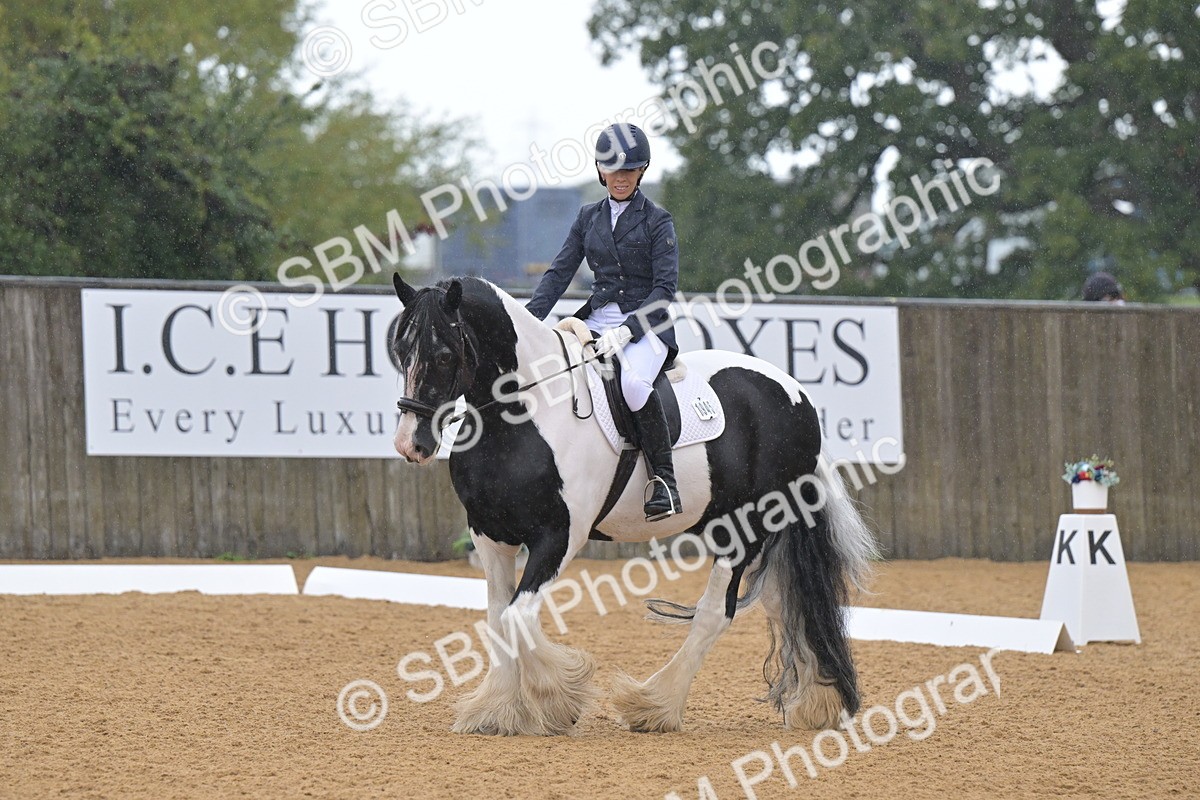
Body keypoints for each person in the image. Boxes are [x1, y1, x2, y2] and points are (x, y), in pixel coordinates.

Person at [525, 123, 681, 522]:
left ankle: (664, 481)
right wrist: (527, 323)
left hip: (646, 323)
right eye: (613, 170)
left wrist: (629, 330)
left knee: (632, 384)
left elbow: (664, 290)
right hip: (596, 317)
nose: (621, 178)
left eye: (629, 170)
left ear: (641, 172)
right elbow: (559, 273)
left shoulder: (657, 220)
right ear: (601, 171)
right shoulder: (587, 217)